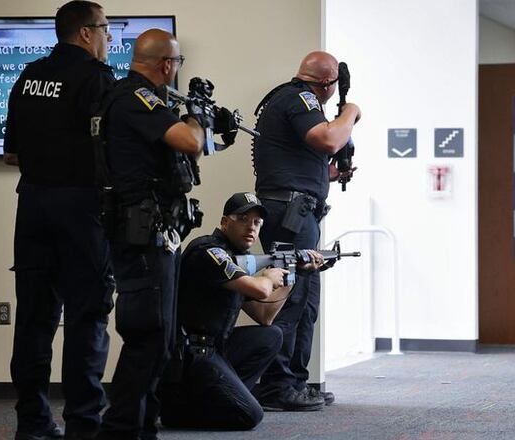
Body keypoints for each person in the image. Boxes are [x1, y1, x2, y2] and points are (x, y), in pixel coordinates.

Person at [94, 28, 225, 440]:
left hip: (155, 231)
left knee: (161, 341)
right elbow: (188, 139)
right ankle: (120, 430)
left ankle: (141, 426)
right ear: (167, 64)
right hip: (141, 234)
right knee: (148, 337)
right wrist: (197, 116)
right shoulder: (137, 96)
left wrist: (214, 129)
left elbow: (190, 147)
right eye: (176, 63)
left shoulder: (144, 101)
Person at [2, 2, 115, 439]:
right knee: (87, 318)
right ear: (86, 33)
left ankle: (32, 423)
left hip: (32, 205)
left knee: (33, 318)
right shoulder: (97, 79)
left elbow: (12, 153)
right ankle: (84, 426)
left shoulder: (29, 76)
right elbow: (111, 153)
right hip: (82, 209)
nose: (110, 38)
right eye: (106, 29)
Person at [157, 192, 325, 430]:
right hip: (190, 356)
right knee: (251, 416)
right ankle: (181, 412)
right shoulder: (209, 251)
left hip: (215, 349)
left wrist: (294, 274)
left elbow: (265, 316)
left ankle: (223, 399)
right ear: (225, 222)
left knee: (271, 336)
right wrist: (268, 276)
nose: (251, 227)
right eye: (243, 219)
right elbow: (260, 290)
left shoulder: (236, 261)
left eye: (257, 223)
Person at [251, 51, 361, 411]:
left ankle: (296, 382)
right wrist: (351, 112)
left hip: (298, 212)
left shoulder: (296, 100)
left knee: (307, 301)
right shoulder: (299, 98)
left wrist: (326, 176)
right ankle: (276, 386)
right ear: (327, 85)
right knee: (291, 299)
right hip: (290, 215)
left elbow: (300, 157)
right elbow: (328, 140)